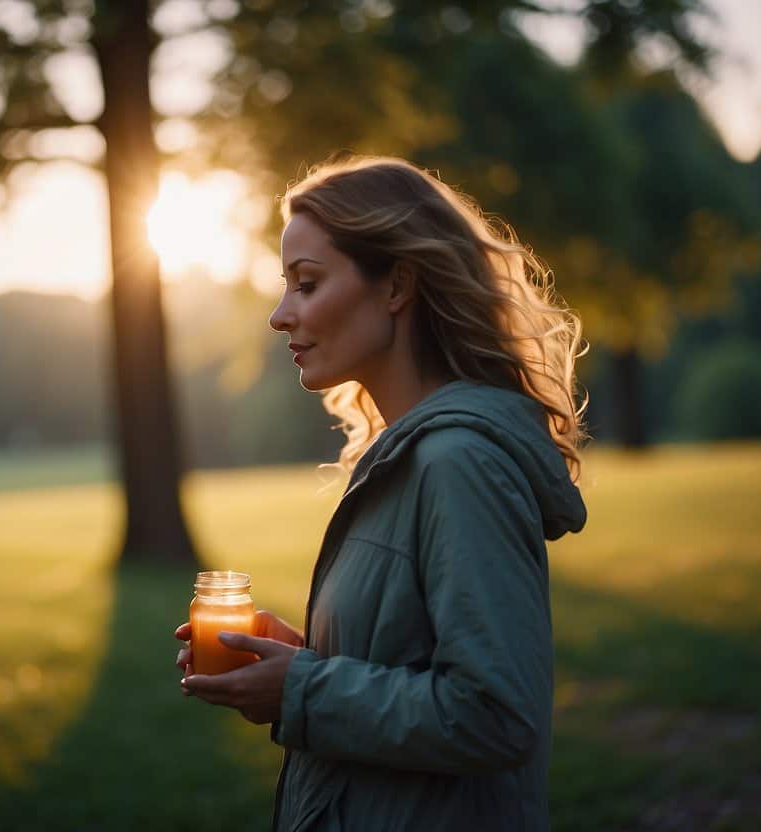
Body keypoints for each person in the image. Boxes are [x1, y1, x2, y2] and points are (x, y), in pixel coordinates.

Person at [174, 155, 588, 831]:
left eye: (306, 284)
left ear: (396, 286)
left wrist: (301, 689)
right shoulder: (405, 455)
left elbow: (494, 717)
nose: (280, 316)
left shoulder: (457, 465)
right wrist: (305, 658)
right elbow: (415, 663)